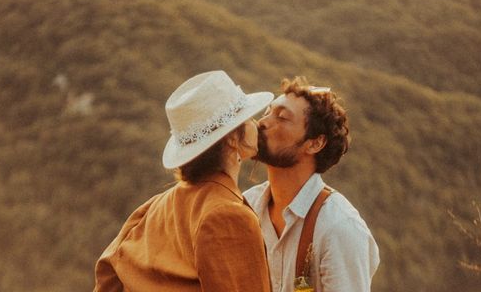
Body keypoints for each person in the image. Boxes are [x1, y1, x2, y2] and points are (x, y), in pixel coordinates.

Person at [93, 70, 274, 292]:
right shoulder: (228, 215)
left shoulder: (153, 207)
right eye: (247, 118)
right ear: (232, 139)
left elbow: (108, 276)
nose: (255, 123)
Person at [244, 76, 379, 292]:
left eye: (282, 117)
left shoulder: (339, 227)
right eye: (267, 112)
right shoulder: (246, 207)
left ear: (315, 143)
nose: (262, 122)